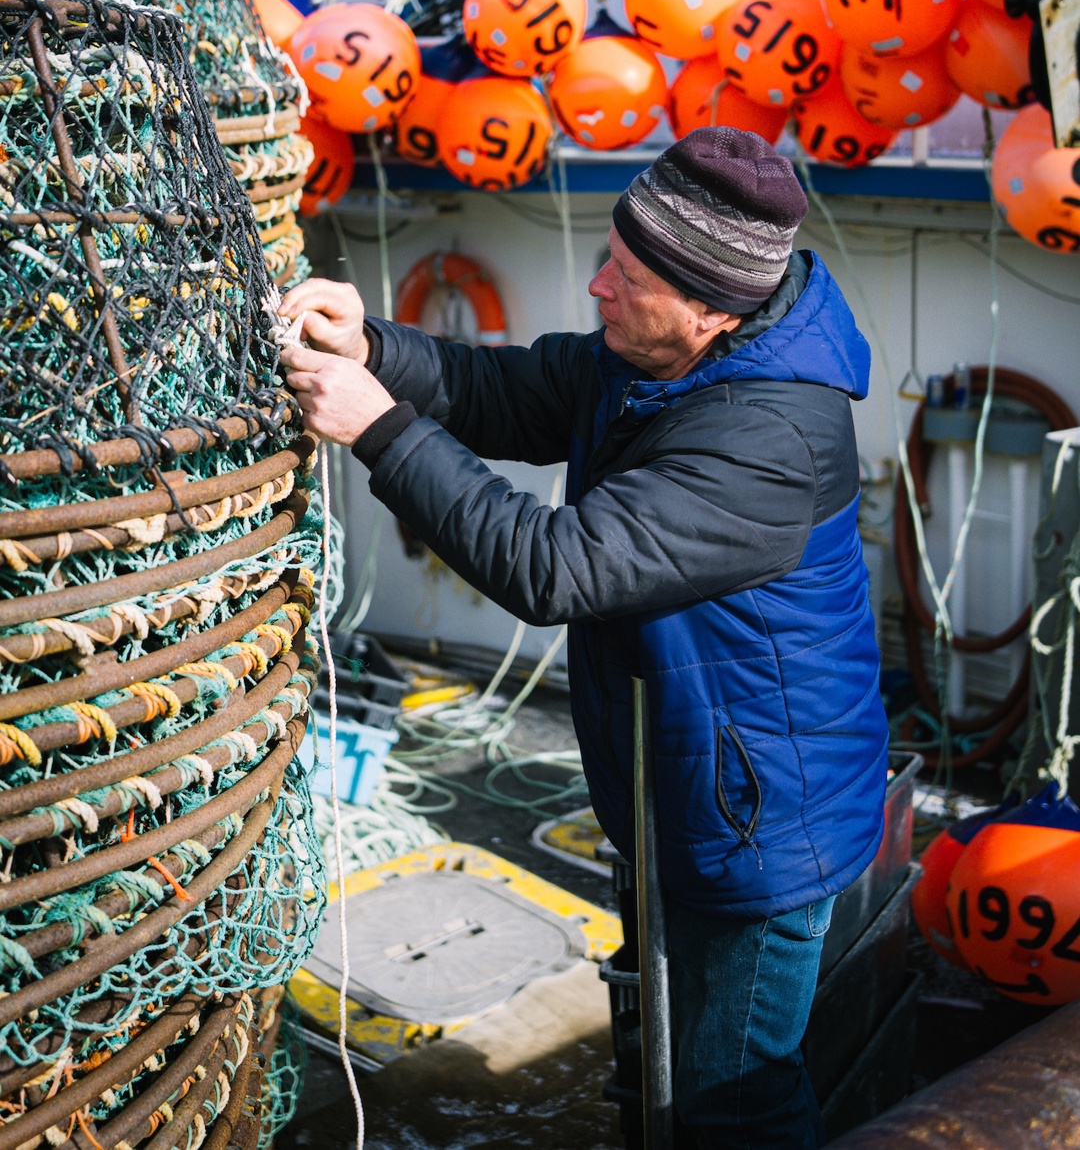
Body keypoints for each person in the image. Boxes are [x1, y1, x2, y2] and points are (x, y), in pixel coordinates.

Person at [278, 127, 889, 1150]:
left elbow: (554, 568)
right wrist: (373, 346)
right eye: (609, 253)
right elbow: (506, 394)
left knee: (737, 1094)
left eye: (628, 274)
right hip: (691, 788)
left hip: (761, 822)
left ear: (711, 307)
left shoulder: (768, 436)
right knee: (672, 1044)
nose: (596, 285)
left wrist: (380, 430)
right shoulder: (659, 354)